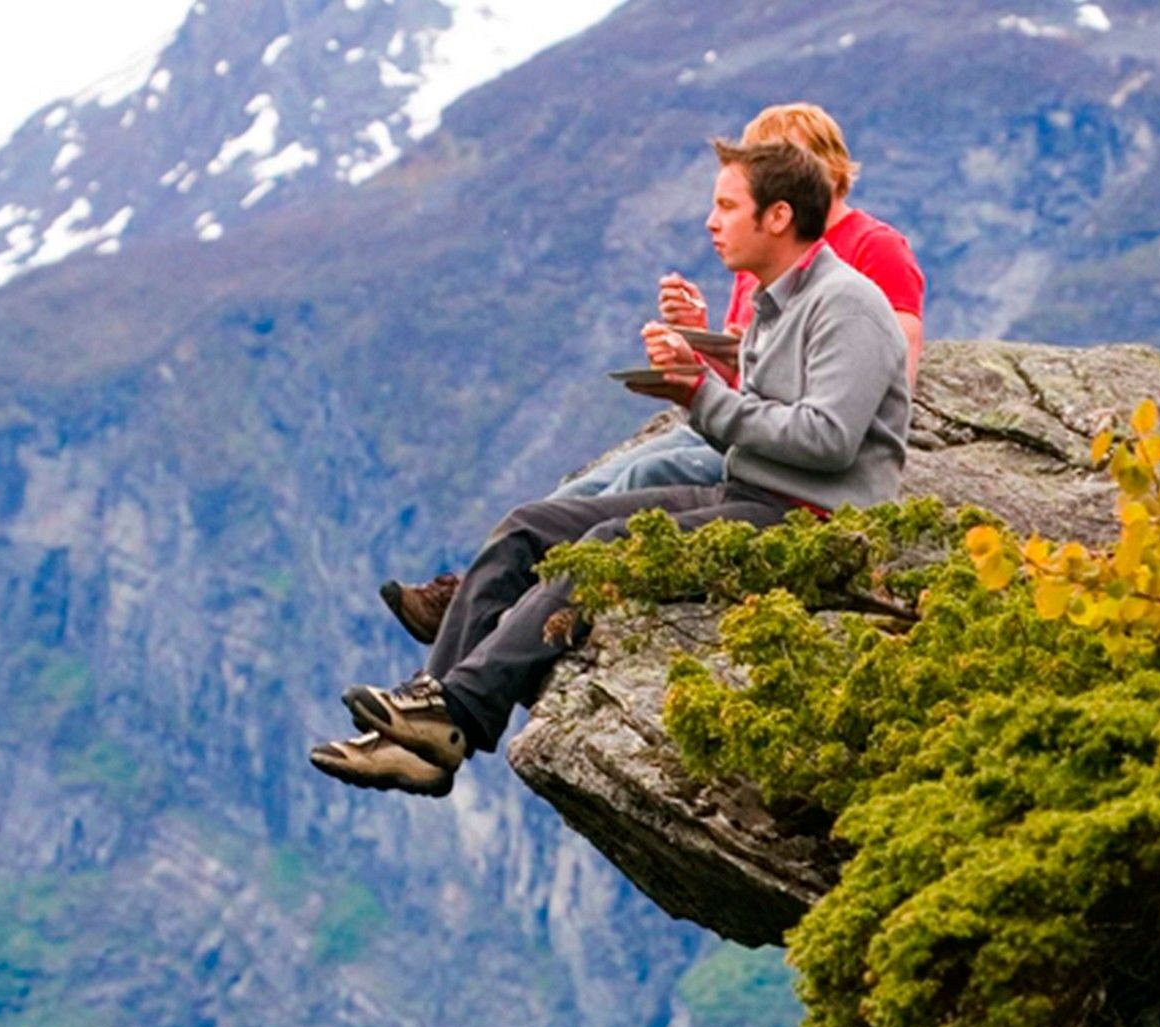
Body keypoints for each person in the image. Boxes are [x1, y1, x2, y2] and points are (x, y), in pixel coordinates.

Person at [311, 139, 910, 796]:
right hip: (752, 493)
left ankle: (451, 717)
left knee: (603, 549)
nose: (712, 222)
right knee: (530, 526)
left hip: (811, 524)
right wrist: (697, 380)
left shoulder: (845, 303)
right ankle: (429, 730)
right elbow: (765, 416)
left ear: (778, 217)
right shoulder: (775, 303)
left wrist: (701, 396)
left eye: (726, 206)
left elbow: (828, 439)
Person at [378, 103, 925, 646]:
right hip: (747, 423)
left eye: (780, 159)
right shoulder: (767, 266)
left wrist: (714, 391)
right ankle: (487, 591)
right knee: (585, 487)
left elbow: (885, 364)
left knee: (642, 479)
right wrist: (695, 337)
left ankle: (521, 606)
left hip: (784, 457)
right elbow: (755, 368)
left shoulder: (868, 253)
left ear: (823, 171)